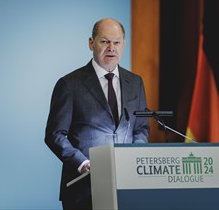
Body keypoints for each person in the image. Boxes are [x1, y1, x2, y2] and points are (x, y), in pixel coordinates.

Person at [44, 18, 150, 210]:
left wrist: (135, 157)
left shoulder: (135, 82)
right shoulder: (69, 84)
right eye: (104, 41)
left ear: (123, 45)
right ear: (91, 43)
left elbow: (141, 128)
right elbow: (54, 134)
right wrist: (82, 163)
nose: (111, 48)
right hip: (84, 188)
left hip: (126, 185)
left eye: (117, 42)